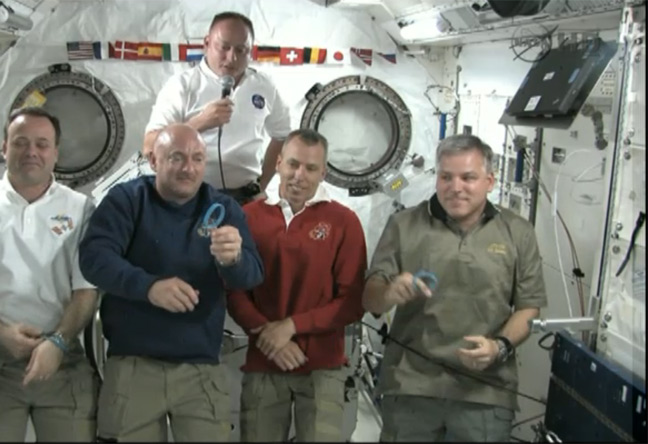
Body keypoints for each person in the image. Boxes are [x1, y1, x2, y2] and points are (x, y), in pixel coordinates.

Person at [79, 123, 264, 442]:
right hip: (134, 367)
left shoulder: (222, 209)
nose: (188, 168)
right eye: (176, 157)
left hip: (200, 369)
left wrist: (234, 259)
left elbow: (251, 276)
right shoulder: (128, 200)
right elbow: (94, 258)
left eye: (197, 158)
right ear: (154, 161)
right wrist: (148, 287)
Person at [362, 134, 548, 442]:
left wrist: (499, 346)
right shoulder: (404, 224)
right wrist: (389, 292)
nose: (455, 187)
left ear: (490, 181)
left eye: (468, 177)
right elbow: (371, 299)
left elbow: (529, 308)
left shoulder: (517, 232)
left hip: (485, 392)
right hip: (411, 388)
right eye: (446, 176)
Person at [0, 107, 99, 442]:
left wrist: (57, 343)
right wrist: (2, 335)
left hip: (63, 360)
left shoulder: (81, 209)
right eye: (21, 142)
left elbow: (86, 291)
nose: (31, 151)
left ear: (56, 153)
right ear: (4, 148)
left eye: (42, 144)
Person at [227, 129, 367, 442]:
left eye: (311, 168)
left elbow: (352, 300)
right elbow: (234, 291)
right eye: (293, 164)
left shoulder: (344, 221)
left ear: (323, 173)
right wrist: (270, 336)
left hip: (322, 368)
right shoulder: (248, 217)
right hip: (264, 362)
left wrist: (290, 327)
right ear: (278, 163)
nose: (299, 175)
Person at [143, 11, 291, 204]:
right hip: (191, 199)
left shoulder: (264, 86)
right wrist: (199, 123)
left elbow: (283, 135)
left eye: (241, 50)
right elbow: (149, 145)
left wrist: (262, 183)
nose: (231, 58)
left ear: (251, 51)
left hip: (248, 199)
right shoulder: (182, 85)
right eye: (224, 47)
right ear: (206, 43)